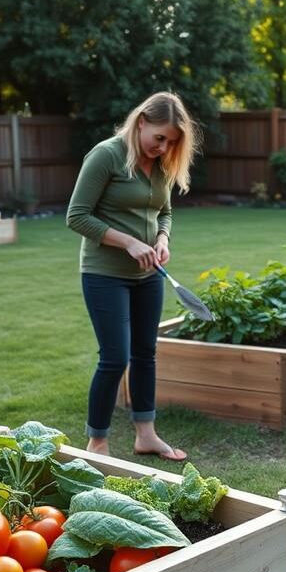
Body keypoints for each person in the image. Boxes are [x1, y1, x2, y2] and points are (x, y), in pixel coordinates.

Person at [66, 92, 200, 460]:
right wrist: (127, 242)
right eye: (160, 137)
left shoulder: (160, 165)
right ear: (142, 121)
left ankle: (146, 435)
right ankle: (97, 442)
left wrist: (162, 238)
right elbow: (76, 216)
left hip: (149, 274)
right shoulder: (106, 155)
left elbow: (165, 211)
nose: (164, 146)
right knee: (114, 357)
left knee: (146, 353)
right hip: (105, 273)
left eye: (172, 141)